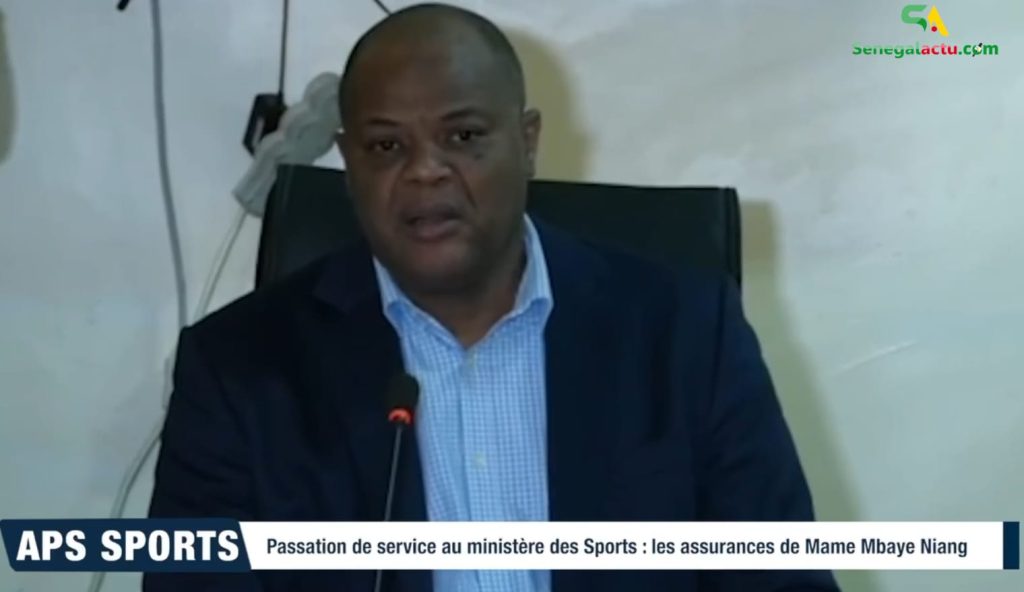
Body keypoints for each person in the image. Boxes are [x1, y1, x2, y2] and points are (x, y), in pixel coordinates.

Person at [145, 3, 839, 591]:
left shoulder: (686, 335)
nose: (425, 171)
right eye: (386, 147)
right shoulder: (236, 370)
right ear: (348, 162)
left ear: (527, 143)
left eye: (464, 136)